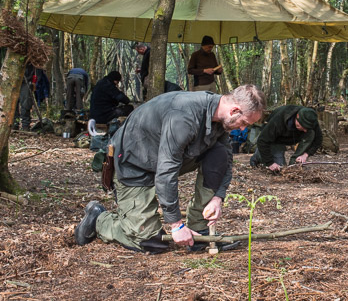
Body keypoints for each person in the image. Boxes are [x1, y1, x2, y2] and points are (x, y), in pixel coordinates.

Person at [74, 85, 266, 253]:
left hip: (159, 159)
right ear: (234, 110)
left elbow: (226, 159)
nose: (242, 129)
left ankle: (200, 230)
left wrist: (218, 197)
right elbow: (167, 171)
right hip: (133, 166)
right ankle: (100, 219)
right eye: (244, 123)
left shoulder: (218, 117)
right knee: (149, 242)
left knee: (219, 154)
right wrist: (176, 224)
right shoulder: (184, 117)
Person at [249, 106, 322, 171]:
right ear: (297, 116)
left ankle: (295, 162)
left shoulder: (311, 120)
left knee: (311, 133)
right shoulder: (278, 119)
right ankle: (257, 157)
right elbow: (262, 141)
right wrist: (270, 163)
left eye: (307, 128)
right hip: (275, 139)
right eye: (302, 126)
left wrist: (305, 155)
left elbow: (318, 140)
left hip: (292, 138)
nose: (305, 130)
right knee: (278, 168)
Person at [13, 63, 38, 131]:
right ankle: (14, 124)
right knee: (13, 104)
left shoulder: (31, 57)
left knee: (26, 103)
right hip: (13, 80)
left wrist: (33, 82)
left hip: (26, 80)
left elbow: (35, 70)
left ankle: (25, 126)